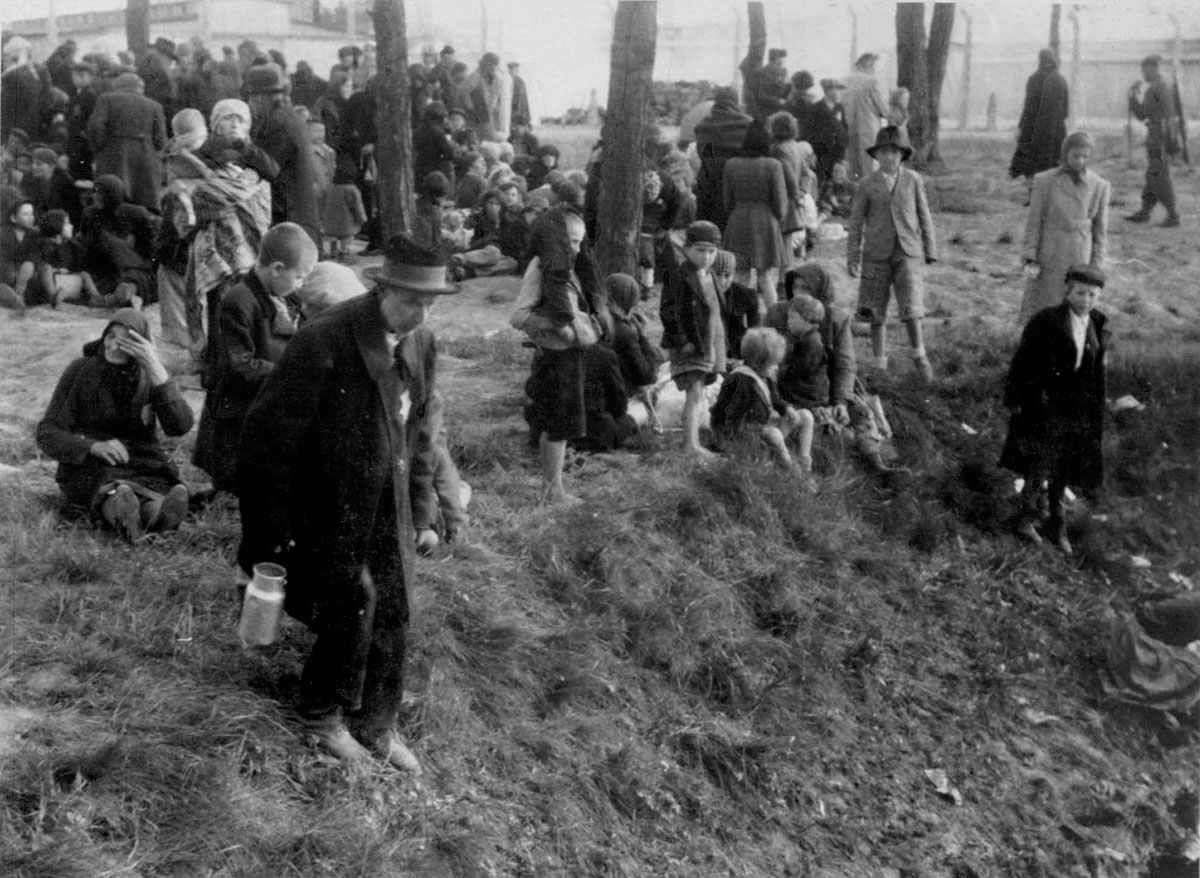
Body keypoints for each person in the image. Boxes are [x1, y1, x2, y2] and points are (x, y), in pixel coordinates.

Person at [236, 235, 455, 772]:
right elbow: (266, 440)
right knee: (352, 600)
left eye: (430, 303)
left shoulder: (422, 342)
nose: (421, 314)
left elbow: (422, 436)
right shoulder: (324, 339)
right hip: (323, 503)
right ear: (382, 289)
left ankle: (377, 723)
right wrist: (273, 530)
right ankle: (322, 716)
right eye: (411, 301)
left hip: (388, 499)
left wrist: (422, 512)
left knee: (395, 603)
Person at [36, 308, 194, 542]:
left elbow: (180, 427)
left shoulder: (149, 375)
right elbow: (47, 432)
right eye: (111, 337)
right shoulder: (81, 370)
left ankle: (161, 518)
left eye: (126, 341)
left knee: (154, 491)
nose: (114, 346)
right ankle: (126, 517)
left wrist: (157, 371)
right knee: (114, 493)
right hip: (92, 464)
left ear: (141, 345)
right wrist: (93, 446)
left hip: (142, 462)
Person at [193, 223, 316, 493]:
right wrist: (291, 372)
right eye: (299, 277)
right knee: (239, 485)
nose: (301, 284)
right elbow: (239, 366)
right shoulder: (238, 301)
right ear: (277, 269)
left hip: (266, 404)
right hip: (238, 413)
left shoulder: (284, 297)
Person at [1000, 265, 1109, 556]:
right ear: (1067, 291)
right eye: (1080, 293)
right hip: (1046, 403)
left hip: (1077, 407)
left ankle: (1056, 523)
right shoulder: (1047, 321)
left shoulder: (1097, 324)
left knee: (1066, 465)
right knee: (1040, 462)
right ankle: (1025, 518)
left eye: (1093, 295)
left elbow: (1097, 371)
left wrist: (1096, 409)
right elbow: (1023, 362)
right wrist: (1016, 398)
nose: (1086, 300)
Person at [511, 207, 606, 501]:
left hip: (569, 355)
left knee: (560, 423)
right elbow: (518, 315)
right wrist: (558, 328)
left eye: (580, 242)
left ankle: (553, 485)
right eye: (571, 241)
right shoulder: (541, 266)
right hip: (555, 356)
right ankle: (553, 489)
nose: (576, 248)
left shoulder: (567, 268)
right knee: (559, 424)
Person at [846, 126, 938, 382]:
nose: (889, 157)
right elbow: (855, 223)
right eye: (884, 152)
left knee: (912, 306)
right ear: (876, 155)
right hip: (875, 254)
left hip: (908, 251)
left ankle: (919, 355)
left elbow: (924, 214)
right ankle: (879, 362)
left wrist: (930, 248)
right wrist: (853, 256)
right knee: (874, 309)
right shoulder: (866, 184)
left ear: (902, 155)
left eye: (895, 152)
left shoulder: (913, 180)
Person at [1020, 131, 1111, 323]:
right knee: (1047, 299)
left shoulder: (1100, 185)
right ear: (1065, 154)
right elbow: (1035, 220)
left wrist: (1098, 261)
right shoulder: (1045, 181)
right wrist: (1030, 254)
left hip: (1081, 250)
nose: (1080, 161)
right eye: (1075, 156)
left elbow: (1100, 229)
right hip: (1050, 249)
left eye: (1085, 156)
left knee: (1077, 299)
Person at [710, 326, 815, 485]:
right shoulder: (739, 381)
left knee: (806, 416)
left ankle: (804, 464)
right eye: (773, 364)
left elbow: (775, 399)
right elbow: (724, 418)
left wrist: (787, 408)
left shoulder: (765, 377)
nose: (776, 368)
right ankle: (794, 474)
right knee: (775, 434)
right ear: (758, 362)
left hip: (764, 428)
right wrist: (744, 433)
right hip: (745, 436)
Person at [661, 220, 727, 460]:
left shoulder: (711, 275)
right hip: (691, 343)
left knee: (701, 391)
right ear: (687, 248)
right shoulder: (679, 276)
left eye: (711, 251)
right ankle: (691, 444)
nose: (706, 257)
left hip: (710, 341)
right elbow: (668, 311)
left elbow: (716, 310)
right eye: (700, 250)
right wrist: (681, 340)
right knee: (695, 391)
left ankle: (695, 436)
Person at [246, 63, 321, 249]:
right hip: (299, 212)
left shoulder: (277, 121)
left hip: (290, 214)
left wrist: (242, 148)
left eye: (252, 99)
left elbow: (268, 167)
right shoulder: (289, 115)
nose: (250, 105)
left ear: (261, 97)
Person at [722, 118, 788, 311]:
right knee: (765, 277)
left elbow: (727, 201)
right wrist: (777, 218)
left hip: (739, 219)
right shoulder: (773, 165)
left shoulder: (731, 164)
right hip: (765, 221)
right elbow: (780, 202)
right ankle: (773, 316)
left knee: (740, 276)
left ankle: (738, 317)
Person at [87, 72, 167, 213]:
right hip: (145, 159)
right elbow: (160, 140)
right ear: (140, 88)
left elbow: (95, 126)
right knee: (143, 206)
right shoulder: (155, 106)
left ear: (117, 86)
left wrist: (99, 148)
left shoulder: (106, 99)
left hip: (113, 155)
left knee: (110, 201)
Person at [1126, 55, 1180, 228]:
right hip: (1158, 137)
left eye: (1145, 70)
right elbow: (1145, 114)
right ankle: (1145, 212)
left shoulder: (1158, 89)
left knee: (1158, 175)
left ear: (1153, 68)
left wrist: (1133, 98)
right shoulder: (1160, 87)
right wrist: (1133, 98)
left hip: (1159, 139)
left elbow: (1148, 115)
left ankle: (1173, 215)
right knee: (1153, 175)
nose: (1143, 74)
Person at [1009, 49, 1069, 201]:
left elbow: (1028, 107)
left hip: (1033, 129)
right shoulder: (1061, 80)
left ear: (1040, 60)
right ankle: (1049, 197)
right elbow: (1066, 111)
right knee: (1052, 162)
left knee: (1030, 163)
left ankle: (1033, 196)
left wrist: (1021, 127)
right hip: (1055, 130)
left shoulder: (1034, 79)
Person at [693, 87, 752, 228]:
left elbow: (703, 153)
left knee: (708, 229)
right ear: (736, 102)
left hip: (708, 182)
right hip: (737, 182)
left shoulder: (703, 126)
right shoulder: (748, 125)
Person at [842, 54, 889, 180]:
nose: (874, 70)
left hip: (849, 127)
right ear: (868, 65)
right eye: (873, 66)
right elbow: (883, 109)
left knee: (852, 164)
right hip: (869, 128)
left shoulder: (844, 81)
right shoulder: (871, 82)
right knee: (869, 163)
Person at [322, 163, 368, 262]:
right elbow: (357, 206)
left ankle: (333, 252)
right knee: (346, 239)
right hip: (347, 221)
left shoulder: (331, 188)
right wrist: (362, 219)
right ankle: (344, 255)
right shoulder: (351, 189)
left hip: (331, 221)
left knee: (333, 238)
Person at [808, 78, 848, 187]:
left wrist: (844, 143)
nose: (839, 93)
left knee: (838, 177)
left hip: (838, 149)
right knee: (822, 177)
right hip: (822, 150)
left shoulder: (840, 107)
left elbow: (844, 127)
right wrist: (813, 150)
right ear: (828, 90)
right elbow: (811, 130)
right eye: (837, 89)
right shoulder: (816, 108)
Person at [65, 62, 98, 181]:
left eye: (82, 75)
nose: (77, 79)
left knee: (80, 170)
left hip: (81, 140)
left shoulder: (89, 96)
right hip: (76, 138)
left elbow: (79, 118)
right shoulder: (78, 93)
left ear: (91, 77)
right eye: (74, 75)